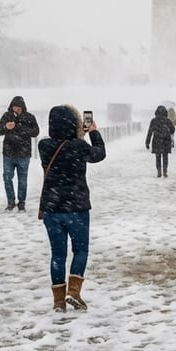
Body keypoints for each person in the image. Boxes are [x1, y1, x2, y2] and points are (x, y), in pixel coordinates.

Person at [38, 105, 105, 313]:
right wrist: (92, 132)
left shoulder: (44, 146)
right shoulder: (79, 147)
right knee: (80, 250)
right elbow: (99, 154)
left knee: (57, 255)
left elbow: (65, 147)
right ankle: (73, 292)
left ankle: (58, 302)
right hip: (76, 207)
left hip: (52, 208)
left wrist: (76, 136)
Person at [0, 95, 40, 212]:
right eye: (15, 107)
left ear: (23, 107)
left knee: (22, 179)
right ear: (12, 106)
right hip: (8, 154)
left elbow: (36, 132)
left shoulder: (30, 117)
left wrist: (21, 128)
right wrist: (6, 126)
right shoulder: (6, 116)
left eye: (19, 107)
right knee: (7, 177)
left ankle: (21, 203)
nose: (17, 109)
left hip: (23, 154)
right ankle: (10, 201)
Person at [145, 105, 175, 178]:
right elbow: (173, 130)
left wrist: (147, 142)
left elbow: (150, 132)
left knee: (158, 157)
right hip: (166, 141)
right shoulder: (167, 120)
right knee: (165, 157)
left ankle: (159, 171)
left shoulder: (154, 120)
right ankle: (165, 171)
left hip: (157, 141)